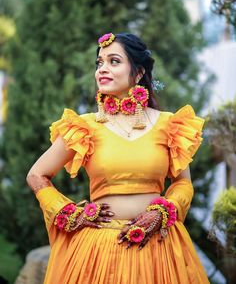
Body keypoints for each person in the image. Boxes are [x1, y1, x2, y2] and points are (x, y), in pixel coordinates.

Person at [26, 32, 210, 284]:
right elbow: (37, 175)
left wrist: (162, 212)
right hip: (97, 253)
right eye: (99, 63)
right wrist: (68, 212)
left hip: (158, 249)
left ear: (138, 72)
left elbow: (183, 183)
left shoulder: (171, 125)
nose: (102, 69)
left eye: (114, 61)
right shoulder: (84, 126)